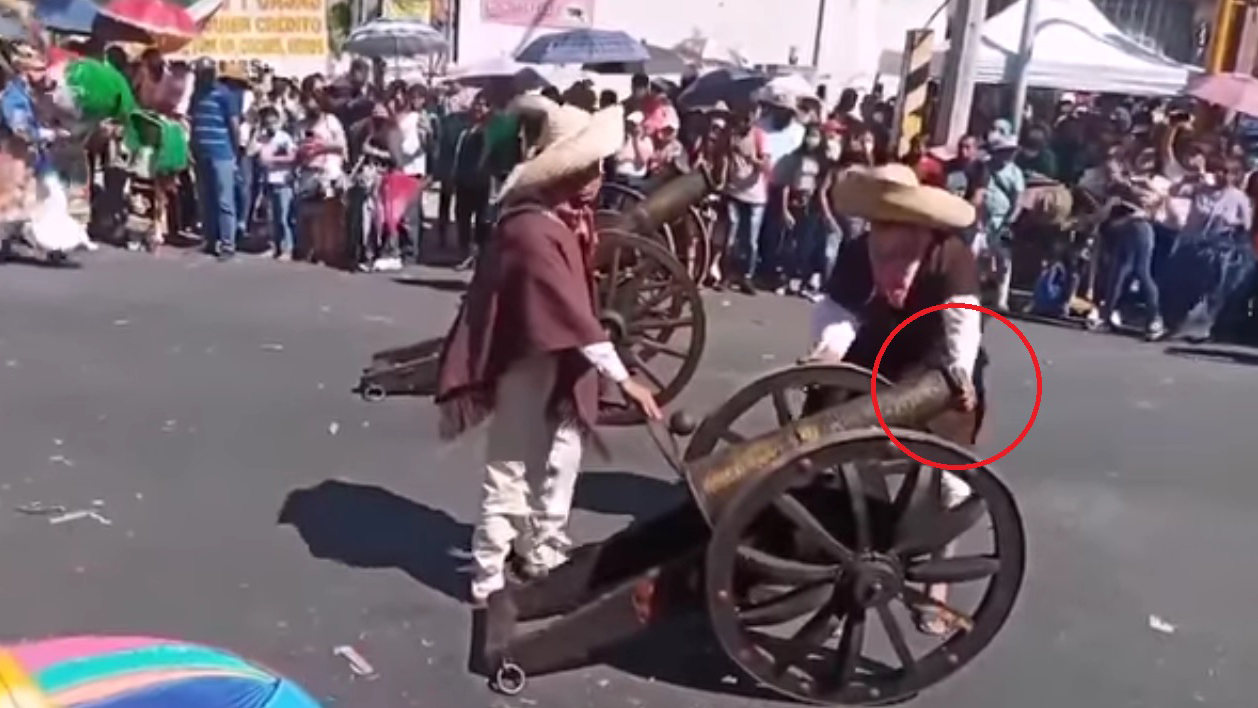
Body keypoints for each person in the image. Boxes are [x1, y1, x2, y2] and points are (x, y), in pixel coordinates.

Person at [434, 97, 662, 604]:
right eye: (588, 167)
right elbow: (566, 308)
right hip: (523, 357)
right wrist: (623, 376)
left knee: (561, 452)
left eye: (600, 166)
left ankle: (540, 545)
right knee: (511, 463)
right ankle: (488, 573)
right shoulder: (529, 229)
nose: (599, 176)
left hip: (561, 357)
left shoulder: (566, 219)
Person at [803, 163, 983, 636]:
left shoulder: (950, 255)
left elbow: (962, 322)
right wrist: (830, 348)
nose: (884, 231)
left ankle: (934, 593)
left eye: (894, 219)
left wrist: (959, 373)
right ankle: (834, 580)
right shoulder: (857, 250)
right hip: (872, 357)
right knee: (830, 458)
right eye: (878, 220)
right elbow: (837, 311)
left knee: (948, 478)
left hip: (934, 361)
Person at [188, 59, 241, 260]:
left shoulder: (225, 94)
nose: (204, 76)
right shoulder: (197, 95)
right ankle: (210, 240)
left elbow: (234, 125)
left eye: (207, 72)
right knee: (206, 200)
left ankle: (228, 245)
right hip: (202, 153)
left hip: (222, 154)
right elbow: (194, 120)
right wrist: (192, 146)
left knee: (224, 201)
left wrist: (234, 152)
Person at [721, 101, 770, 294]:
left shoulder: (760, 136)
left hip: (755, 194)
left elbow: (764, 166)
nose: (747, 120)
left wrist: (749, 158)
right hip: (733, 190)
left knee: (750, 239)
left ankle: (747, 276)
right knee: (730, 236)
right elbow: (725, 158)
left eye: (751, 115)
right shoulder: (731, 135)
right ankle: (727, 275)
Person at [981, 132, 1025, 311]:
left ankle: (1001, 300)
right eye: (1005, 151)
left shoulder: (1015, 173)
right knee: (979, 258)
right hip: (981, 219)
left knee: (1003, 262)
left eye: (1011, 151)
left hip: (1001, 221)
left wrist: (1010, 221)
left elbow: (1018, 200)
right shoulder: (984, 167)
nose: (1008, 155)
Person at [253, 104, 297, 259]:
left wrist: (273, 160)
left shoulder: (284, 138)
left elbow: (292, 157)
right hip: (267, 181)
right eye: (267, 123)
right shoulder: (263, 138)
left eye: (273, 122)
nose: (271, 126)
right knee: (271, 217)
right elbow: (251, 151)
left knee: (284, 217)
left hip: (282, 180)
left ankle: (287, 248)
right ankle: (273, 246)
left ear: (278, 121)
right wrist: (256, 131)